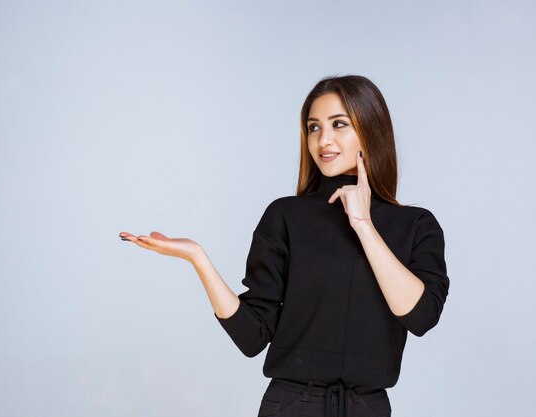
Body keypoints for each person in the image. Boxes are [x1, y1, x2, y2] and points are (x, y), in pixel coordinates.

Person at [119, 75, 450, 417]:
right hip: (291, 405)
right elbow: (252, 337)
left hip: (368, 407)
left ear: (371, 129)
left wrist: (364, 225)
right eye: (314, 127)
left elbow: (421, 315)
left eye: (339, 124)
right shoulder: (286, 216)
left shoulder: (416, 225)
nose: (324, 139)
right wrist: (197, 258)